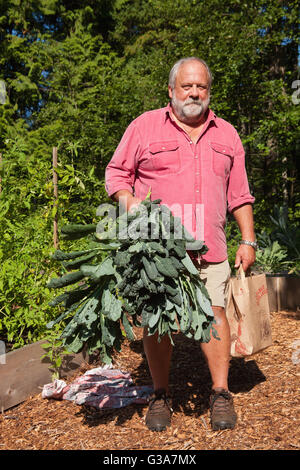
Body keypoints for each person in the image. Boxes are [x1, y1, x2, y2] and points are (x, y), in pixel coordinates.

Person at [105, 57, 256, 432]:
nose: (194, 92)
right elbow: (116, 173)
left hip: (211, 248)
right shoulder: (144, 127)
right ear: (171, 90)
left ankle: (220, 392)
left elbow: (240, 195)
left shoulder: (227, 135)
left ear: (208, 92)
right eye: (186, 86)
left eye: (201, 86)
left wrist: (249, 239)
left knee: (216, 314)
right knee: (157, 323)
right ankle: (160, 394)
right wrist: (133, 206)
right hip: (157, 252)